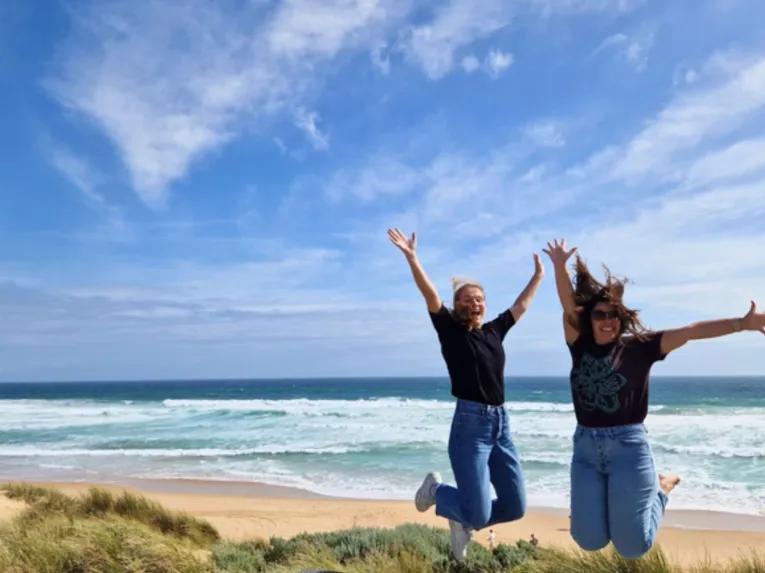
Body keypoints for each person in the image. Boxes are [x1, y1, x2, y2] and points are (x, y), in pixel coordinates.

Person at [544, 238, 765, 559]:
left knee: (633, 547)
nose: (608, 321)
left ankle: (661, 489)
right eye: (600, 314)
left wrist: (741, 324)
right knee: (589, 540)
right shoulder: (578, 343)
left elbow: (690, 331)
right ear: (588, 318)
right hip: (586, 449)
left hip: (628, 448)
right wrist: (560, 266)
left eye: (615, 315)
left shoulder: (641, 347)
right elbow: (568, 305)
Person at [388, 227, 544, 561]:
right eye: (467, 298)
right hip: (470, 428)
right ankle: (437, 492)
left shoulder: (494, 332)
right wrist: (413, 258)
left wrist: (539, 275)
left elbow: (521, 306)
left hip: (502, 425)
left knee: (516, 507)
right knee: (478, 513)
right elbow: (430, 295)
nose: (475, 302)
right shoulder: (450, 330)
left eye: (479, 298)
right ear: (458, 305)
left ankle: (462, 517)